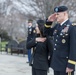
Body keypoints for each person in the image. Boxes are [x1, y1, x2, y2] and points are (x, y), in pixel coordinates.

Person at [44, 6, 76, 75]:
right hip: (57, 63)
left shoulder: (72, 27)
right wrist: (49, 21)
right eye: (55, 14)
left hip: (65, 65)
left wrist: (71, 65)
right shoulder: (58, 26)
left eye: (58, 14)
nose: (56, 16)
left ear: (65, 14)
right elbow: (46, 33)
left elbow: (74, 47)